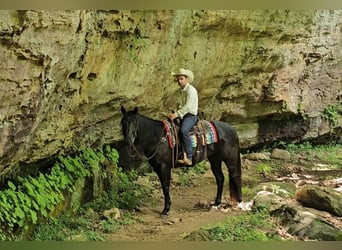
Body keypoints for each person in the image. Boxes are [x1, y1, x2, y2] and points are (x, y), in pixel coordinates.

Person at [168, 68, 198, 166]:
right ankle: (179, 153)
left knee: (183, 131)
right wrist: (174, 112)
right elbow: (181, 106)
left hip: (190, 116)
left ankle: (189, 157)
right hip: (183, 115)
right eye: (178, 79)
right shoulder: (182, 91)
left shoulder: (191, 90)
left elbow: (188, 107)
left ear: (186, 79)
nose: (179, 81)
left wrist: (176, 114)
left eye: (181, 79)